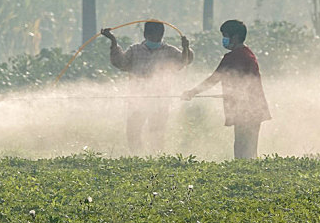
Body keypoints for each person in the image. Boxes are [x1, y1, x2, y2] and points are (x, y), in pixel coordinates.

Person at [181, 20, 270, 159]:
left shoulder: (234, 57)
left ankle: (244, 175)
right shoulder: (248, 54)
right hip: (255, 108)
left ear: (234, 37)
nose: (224, 40)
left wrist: (192, 92)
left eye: (225, 36)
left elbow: (214, 79)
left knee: (242, 149)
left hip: (246, 110)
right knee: (249, 149)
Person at [101, 21, 194, 152]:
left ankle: (156, 158)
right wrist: (113, 41)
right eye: (152, 35)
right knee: (133, 131)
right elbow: (121, 63)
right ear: (145, 34)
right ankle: (137, 156)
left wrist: (185, 48)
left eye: (158, 35)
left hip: (160, 99)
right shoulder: (135, 50)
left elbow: (184, 61)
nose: (155, 38)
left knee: (156, 132)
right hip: (136, 98)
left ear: (162, 35)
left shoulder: (169, 51)